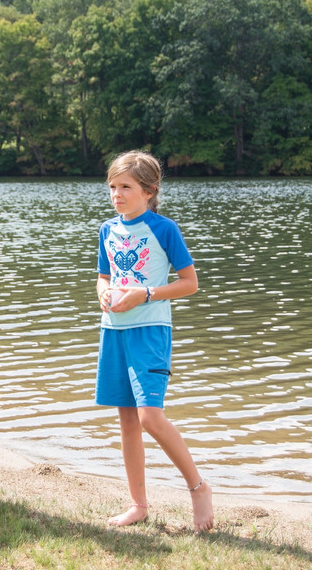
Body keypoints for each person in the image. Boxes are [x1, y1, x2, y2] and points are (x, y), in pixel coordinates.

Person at [95, 150, 214, 532]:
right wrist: (103, 292)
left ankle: (198, 488)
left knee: (150, 416)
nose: (117, 194)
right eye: (112, 187)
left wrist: (145, 294)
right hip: (114, 331)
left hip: (150, 332)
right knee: (128, 421)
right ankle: (138, 505)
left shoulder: (164, 229)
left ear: (149, 191)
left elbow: (190, 283)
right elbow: (103, 276)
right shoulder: (107, 230)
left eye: (125, 187)